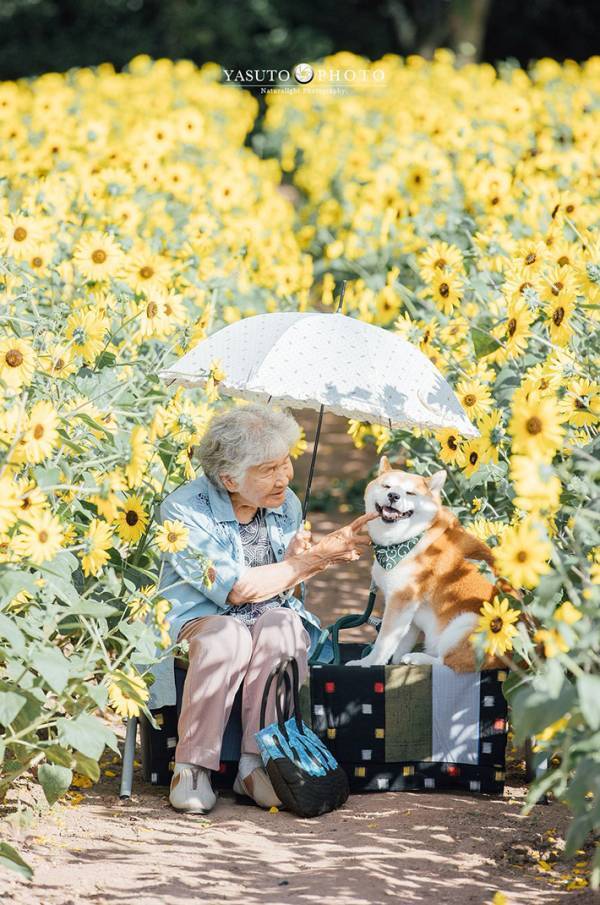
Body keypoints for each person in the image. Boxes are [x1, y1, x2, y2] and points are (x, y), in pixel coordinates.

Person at [154, 402, 375, 814]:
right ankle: (192, 768)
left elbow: (283, 586)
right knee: (228, 636)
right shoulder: (184, 510)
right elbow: (235, 590)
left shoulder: (286, 502)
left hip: (266, 615)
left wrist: (299, 559)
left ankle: (257, 765)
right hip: (201, 621)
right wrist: (310, 561)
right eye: (269, 469)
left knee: (286, 627)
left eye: (286, 462)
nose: (285, 477)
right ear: (229, 479)